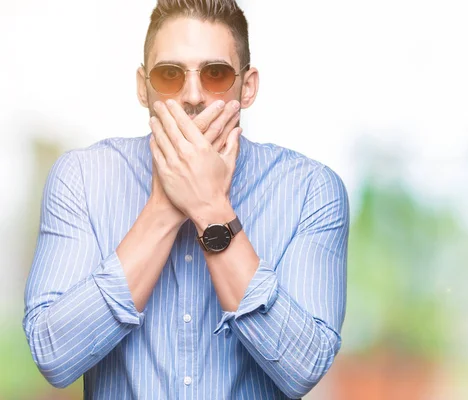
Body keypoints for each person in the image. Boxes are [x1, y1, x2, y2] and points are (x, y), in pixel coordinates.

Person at [22, 0, 349, 399]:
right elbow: (54, 357)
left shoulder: (312, 191)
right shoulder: (82, 180)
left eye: (215, 73)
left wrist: (212, 208)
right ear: (143, 87)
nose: (192, 95)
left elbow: (303, 368)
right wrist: (164, 207)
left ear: (247, 87)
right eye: (170, 74)